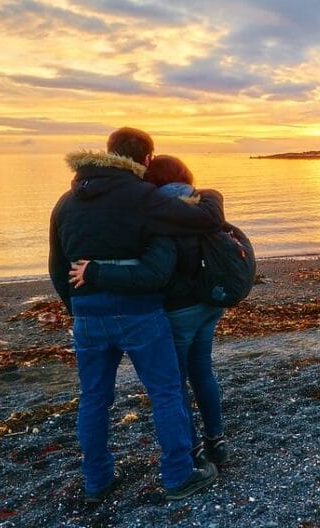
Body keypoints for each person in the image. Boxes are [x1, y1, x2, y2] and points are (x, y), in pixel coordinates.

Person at [48, 128, 221, 503]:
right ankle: (177, 475)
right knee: (165, 392)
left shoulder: (66, 202)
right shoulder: (143, 197)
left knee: (94, 398)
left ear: (108, 153)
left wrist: (76, 309)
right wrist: (209, 194)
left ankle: (97, 481)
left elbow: (57, 266)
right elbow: (204, 221)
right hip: (140, 311)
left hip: (87, 314)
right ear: (145, 160)